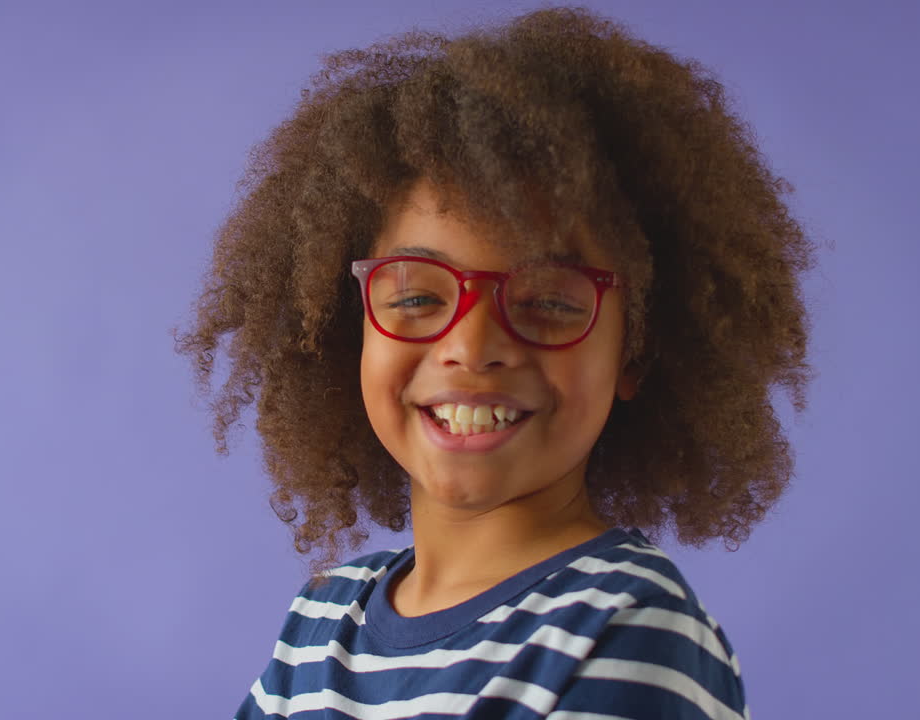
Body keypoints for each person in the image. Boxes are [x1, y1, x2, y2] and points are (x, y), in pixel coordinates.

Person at [177, 5, 814, 718]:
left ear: (636, 352)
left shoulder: (624, 631)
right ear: (342, 325)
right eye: (417, 295)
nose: (472, 347)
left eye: (549, 303)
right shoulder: (321, 624)